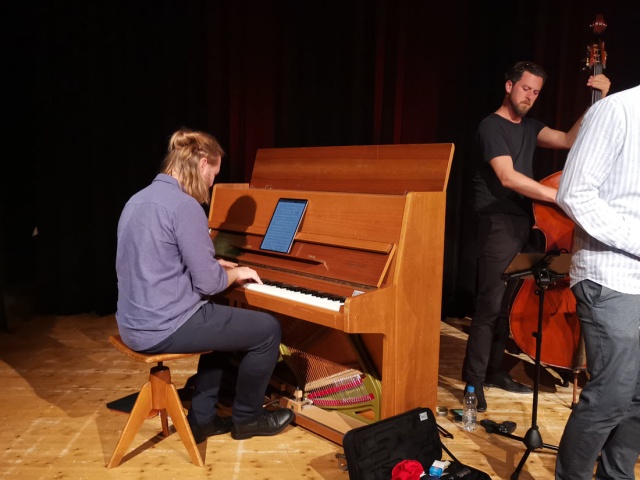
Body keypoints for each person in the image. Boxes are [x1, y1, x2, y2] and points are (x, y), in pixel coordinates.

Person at [115, 128, 294, 443]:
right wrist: (235, 273)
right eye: (214, 173)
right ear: (201, 165)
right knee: (267, 330)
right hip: (162, 327)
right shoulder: (184, 206)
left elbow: (154, 260)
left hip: (133, 324)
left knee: (220, 316)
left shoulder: (138, 199)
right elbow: (210, 283)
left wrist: (215, 264)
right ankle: (248, 419)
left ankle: (204, 418)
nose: (212, 182)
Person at [463, 61, 610, 412]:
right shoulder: (491, 126)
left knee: (509, 305)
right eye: (525, 88)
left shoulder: (530, 126)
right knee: (488, 307)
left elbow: (568, 140)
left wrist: (598, 100)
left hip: (523, 223)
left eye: (536, 92)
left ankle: (495, 369)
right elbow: (509, 178)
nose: (530, 96)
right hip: (496, 223)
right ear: (509, 86)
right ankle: (472, 383)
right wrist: (559, 197)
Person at [554, 84, 640, 479]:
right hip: (612, 274)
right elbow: (574, 193)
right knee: (611, 396)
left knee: (638, 399)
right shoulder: (618, 110)